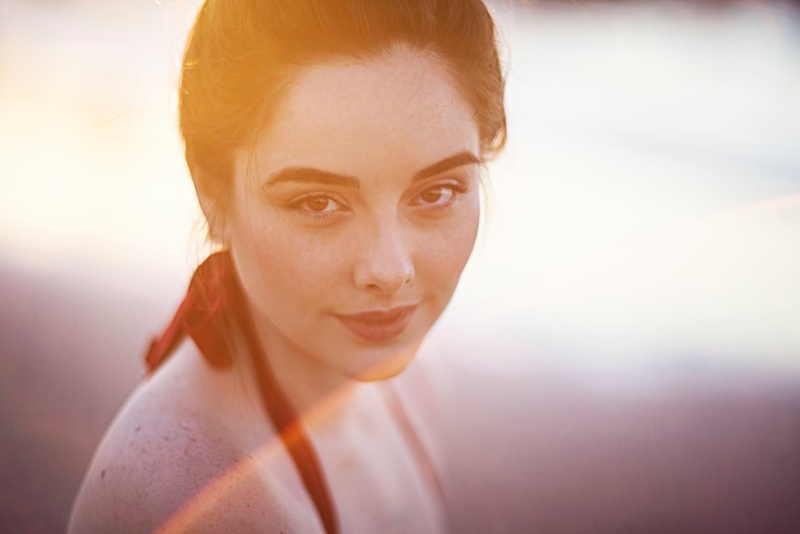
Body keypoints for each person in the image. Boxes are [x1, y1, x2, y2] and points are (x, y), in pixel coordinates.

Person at [68, 0, 506, 531]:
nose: (390, 271)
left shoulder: (413, 384)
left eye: (437, 192)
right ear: (214, 196)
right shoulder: (190, 492)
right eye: (318, 203)